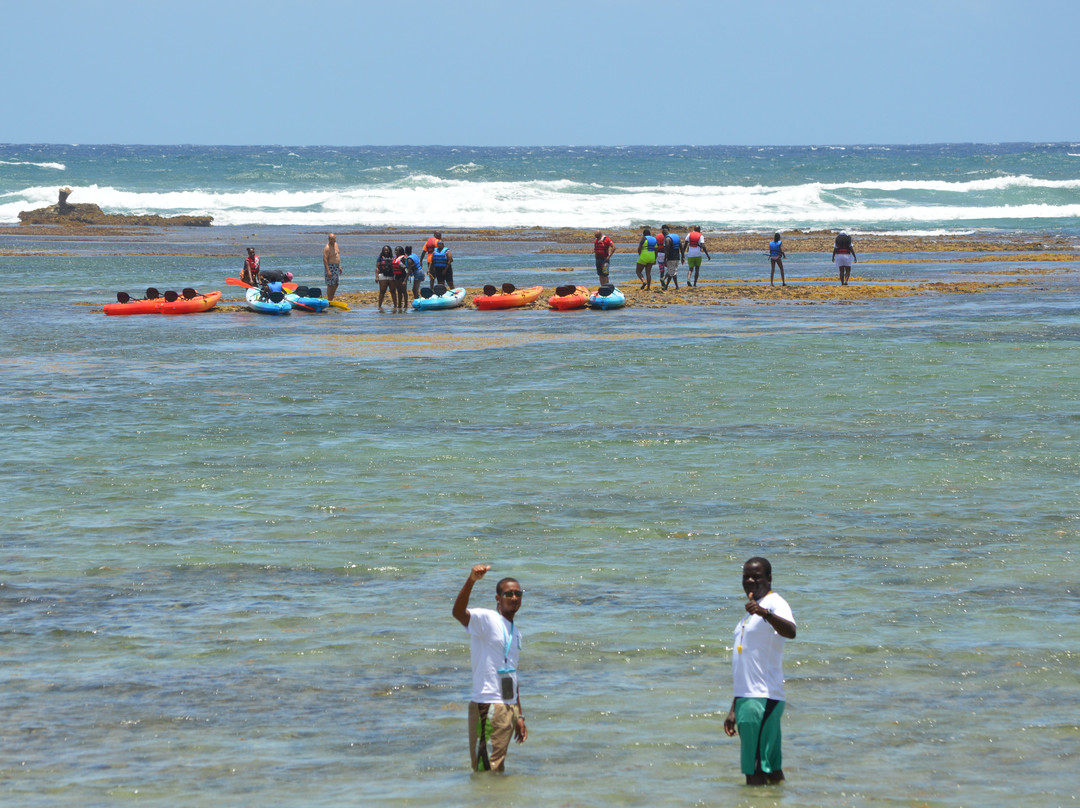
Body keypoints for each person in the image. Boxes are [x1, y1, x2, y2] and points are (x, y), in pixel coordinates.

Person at [723, 557, 796, 786]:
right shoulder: (748, 613)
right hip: (750, 699)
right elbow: (747, 663)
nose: (750, 581)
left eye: (756, 576)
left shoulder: (774, 603)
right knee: (772, 770)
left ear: (769, 579)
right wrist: (735, 706)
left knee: (754, 772)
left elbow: (791, 631)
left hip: (762, 698)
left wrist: (765, 613)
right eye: (746, 576)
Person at [452, 564, 527, 773]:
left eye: (518, 594)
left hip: (507, 707)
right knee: (486, 769)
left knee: (496, 767)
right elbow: (458, 612)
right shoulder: (486, 619)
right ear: (498, 598)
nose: (514, 598)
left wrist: (519, 715)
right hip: (488, 704)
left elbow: (512, 674)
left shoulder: (516, 632)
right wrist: (471, 581)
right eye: (508, 594)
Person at [375, 245, 397, 311]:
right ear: (383, 251)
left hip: (391, 276)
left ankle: (395, 306)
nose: (386, 251)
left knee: (393, 291)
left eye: (387, 250)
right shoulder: (380, 258)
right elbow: (377, 267)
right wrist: (376, 277)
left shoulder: (393, 258)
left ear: (390, 250)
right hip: (383, 275)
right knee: (382, 291)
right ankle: (379, 306)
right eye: (385, 250)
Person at [659, 225, 681, 290]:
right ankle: (669, 286)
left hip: (671, 257)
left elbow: (667, 250)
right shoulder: (676, 236)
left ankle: (663, 279)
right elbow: (681, 247)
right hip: (677, 256)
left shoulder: (667, 239)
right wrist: (683, 256)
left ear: (664, 234)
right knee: (673, 271)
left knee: (672, 272)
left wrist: (665, 259)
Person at [323, 233, 342, 301]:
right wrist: (328, 271)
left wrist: (339, 266)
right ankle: (329, 299)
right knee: (330, 285)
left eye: (333, 239)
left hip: (336, 266)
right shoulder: (327, 248)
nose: (332, 240)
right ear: (328, 239)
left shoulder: (336, 245)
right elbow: (325, 259)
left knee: (336, 284)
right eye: (330, 239)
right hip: (330, 267)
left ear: (335, 239)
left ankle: (331, 298)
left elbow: (337, 256)